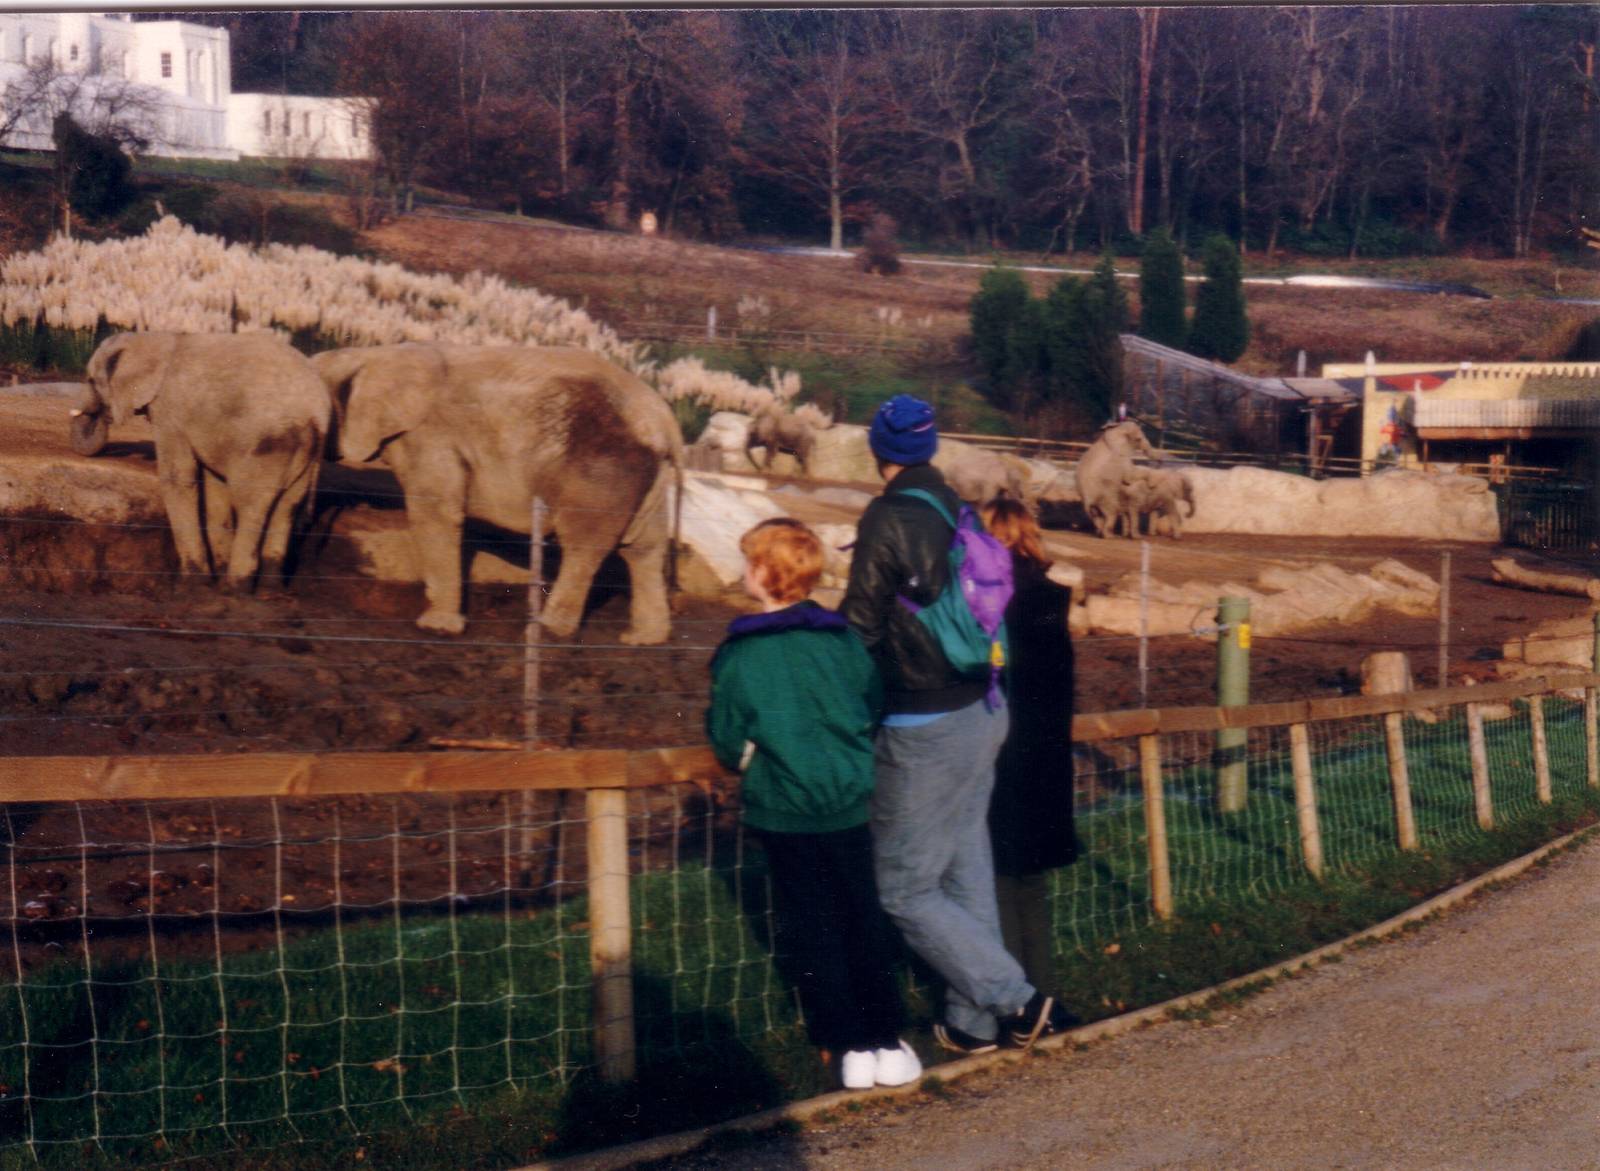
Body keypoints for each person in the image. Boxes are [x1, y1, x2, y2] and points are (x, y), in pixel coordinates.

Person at [840, 394, 1075, 1056]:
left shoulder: (887, 516)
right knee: (965, 871)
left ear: (877, 450)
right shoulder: (954, 506)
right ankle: (971, 1023)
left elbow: (858, 625)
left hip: (924, 719)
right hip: (983, 709)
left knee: (904, 889)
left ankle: (1018, 999)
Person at [707, 517, 921, 1090]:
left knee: (813, 924)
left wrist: (753, 756)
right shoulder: (843, 641)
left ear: (761, 573)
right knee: (861, 916)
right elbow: (871, 702)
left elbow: (727, 737)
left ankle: (845, 1042)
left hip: (784, 808)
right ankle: (887, 1038)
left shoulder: (741, 654)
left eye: (749, 561)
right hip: (848, 801)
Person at [979, 495, 1079, 995]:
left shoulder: (987, 601)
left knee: (995, 879)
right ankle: (1043, 992)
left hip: (997, 754)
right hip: (1044, 757)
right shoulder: (1050, 602)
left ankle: (1014, 999)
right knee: (1031, 882)